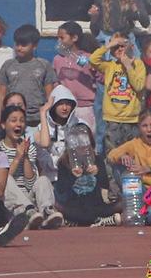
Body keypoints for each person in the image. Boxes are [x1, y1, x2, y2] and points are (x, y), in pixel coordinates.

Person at [0, 101, 62, 230]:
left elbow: (31, 183)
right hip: (11, 204)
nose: (18, 124)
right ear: (4, 125)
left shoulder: (29, 147)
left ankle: (46, 212)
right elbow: (1, 186)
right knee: (7, 180)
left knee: (43, 180)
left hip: (28, 198)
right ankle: (27, 213)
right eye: (13, 120)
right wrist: (17, 158)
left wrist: (25, 156)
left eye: (21, 121)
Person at [44, 96, 116, 226]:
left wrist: (97, 173)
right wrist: (73, 176)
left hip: (95, 204)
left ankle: (88, 220)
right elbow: (62, 189)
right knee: (62, 206)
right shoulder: (64, 161)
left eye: (85, 141)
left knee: (116, 205)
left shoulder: (97, 159)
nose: (81, 146)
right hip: (74, 204)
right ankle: (98, 220)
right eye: (77, 142)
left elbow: (104, 186)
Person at [108, 109, 151, 225]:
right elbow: (111, 155)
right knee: (118, 168)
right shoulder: (135, 143)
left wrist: (149, 168)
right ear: (139, 128)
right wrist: (122, 156)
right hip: (139, 189)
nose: (149, 130)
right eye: (144, 126)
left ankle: (132, 211)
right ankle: (134, 208)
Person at [90, 33, 146, 156]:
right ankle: (113, 175)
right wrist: (109, 45)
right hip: (112, 118)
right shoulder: (110, 66)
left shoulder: (138, 64)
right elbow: (92, 60)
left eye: (122, 46)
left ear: (131, 46)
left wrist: (127, 65)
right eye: (116, 47)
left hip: (131, 118)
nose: (119, 49)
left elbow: (139, 86)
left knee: (132, 154)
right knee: (113, 154)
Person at [0, 24, 56, 125]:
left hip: (38, 118)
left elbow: (50, 95)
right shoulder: (8, 65)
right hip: (14, 118)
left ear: (34, 46)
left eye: (24, 45)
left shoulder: (44, 65)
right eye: (17, 44)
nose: (19, 48)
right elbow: (2, 95)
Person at [51, 21, 99, 134]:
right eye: (57, 38)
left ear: (74, 38)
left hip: (85, 107)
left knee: (86, 139)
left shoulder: (86, 58)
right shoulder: (57, 60)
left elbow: (95, 72)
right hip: (65, 107)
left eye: (62, 38)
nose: (59, 41)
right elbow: (55, 81)